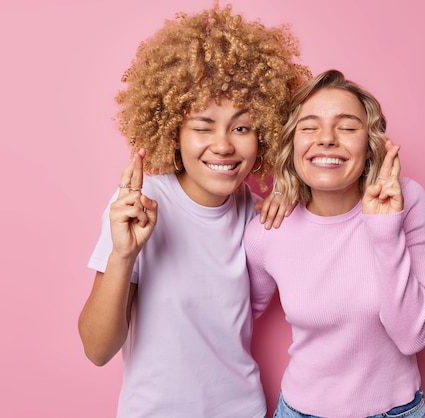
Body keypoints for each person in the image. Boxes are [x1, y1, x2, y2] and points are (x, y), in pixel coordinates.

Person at [77, 4, 310, 417]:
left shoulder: (259, 217)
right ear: (172, 131)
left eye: (242, 127)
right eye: (203, 126)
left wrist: (290, 201)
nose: (222, 145)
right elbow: (97, 350)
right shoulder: (139, 206)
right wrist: (123, 255)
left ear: (267, 135)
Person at [244, 69, 425, 418]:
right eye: (309, 127)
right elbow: (232, 315)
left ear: (369, 148)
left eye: (347, 127)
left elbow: (413, 336)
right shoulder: (267, 231)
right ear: (291, 147)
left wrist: (383, 229)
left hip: (397, 412)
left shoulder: (407, 199)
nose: (327, 139)